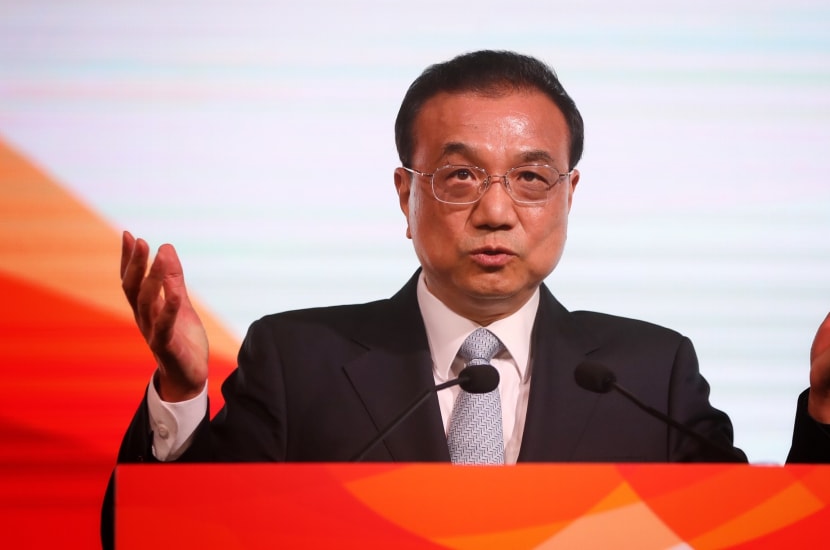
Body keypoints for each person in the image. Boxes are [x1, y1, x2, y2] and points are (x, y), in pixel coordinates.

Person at [103, 50, 830, 542]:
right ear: (405, 195)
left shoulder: (648, 373)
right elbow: (163, 539)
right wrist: (182, 394)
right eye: (460, 177)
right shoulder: (300, 360)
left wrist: (827, 417)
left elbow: (760, 537)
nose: (496, 211)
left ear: (570, 194)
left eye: (531, 178)